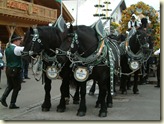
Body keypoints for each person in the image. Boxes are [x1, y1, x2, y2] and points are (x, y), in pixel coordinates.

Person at [0, 34, 24, 109]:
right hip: (16, 69)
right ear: (16, 41)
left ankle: (3, 98)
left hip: (8, 68)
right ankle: (12, 103)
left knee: (10, 85)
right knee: (17, 87)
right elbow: (27, 49)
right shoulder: (17, 49)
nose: (20, 41)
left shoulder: (7, 48)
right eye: (19, 40)